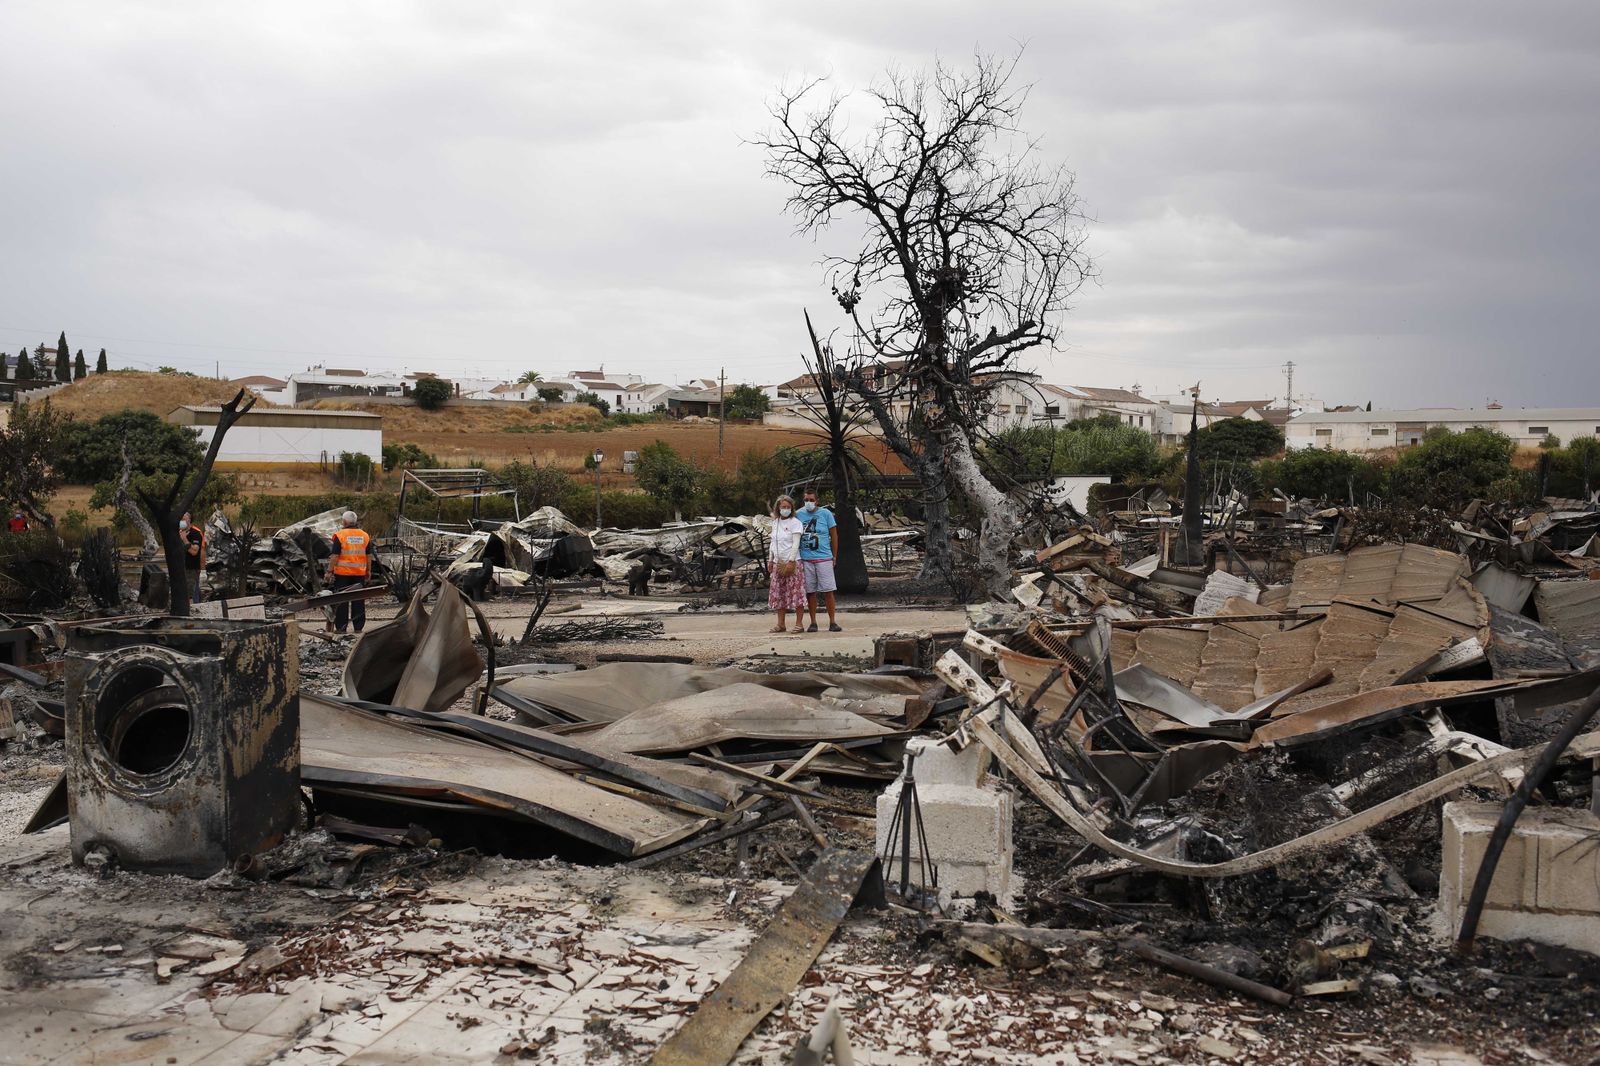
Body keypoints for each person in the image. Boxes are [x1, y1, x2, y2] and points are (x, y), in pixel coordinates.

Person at [798, 489, 842, 632]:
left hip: (824, 557)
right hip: (806, 559)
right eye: (806, 500)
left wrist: (834, 556)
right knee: (810, 592)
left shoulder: (826, 514)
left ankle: (832, 621)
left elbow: (834, 535)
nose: (808, 503)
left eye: (811, 500)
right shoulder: (799, 515)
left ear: (817, 501)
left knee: (828, 591)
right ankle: (813, 622)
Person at [326, 510, 372, 635]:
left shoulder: (340, 535)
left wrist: (329, 572)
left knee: (342, 600)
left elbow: (335, 556)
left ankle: (341, 627)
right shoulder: (364, 535)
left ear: (345, 522)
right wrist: (368, 571)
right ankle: (358, 627)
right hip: (359, 574)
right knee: (358, 600)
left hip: (342, 574)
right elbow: (368, 556)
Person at [766, 494, 806, 634]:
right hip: (778, 562)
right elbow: (773, 543)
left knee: (796, 593)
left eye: (788, 507)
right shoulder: (775, 523)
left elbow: (795, 543)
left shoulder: (795, 523)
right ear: (778, 508)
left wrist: (791, 561)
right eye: (783, 507)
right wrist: (770, 559)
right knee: (779, 593)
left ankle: (799, 623)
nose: (786, 509)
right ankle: (780, 624)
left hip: (792, 562)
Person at [179, 512, 205, 603]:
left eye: (184, 519)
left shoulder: (196, 533)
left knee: (191, 594)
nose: (181, 521)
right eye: (180, 519)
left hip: (191, 569)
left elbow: (195, 551)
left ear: (189, 520)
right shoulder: (177, 532)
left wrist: (185, 539)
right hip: (180, 568)